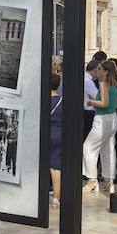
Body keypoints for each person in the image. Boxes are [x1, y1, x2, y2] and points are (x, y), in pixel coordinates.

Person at [83, 59, 117, 194]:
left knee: (88, 147)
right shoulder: (115, 85)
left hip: (102, 119)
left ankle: (92, 179)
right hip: (113, 118)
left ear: (105, 71)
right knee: (108, 148)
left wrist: (92, 102)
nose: (97, 71)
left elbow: (104, 103)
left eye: (99, 69)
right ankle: (108, 179)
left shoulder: (103, 83)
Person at [47, 68, 64, 209]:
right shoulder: (63, 101)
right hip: (60, 134)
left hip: (47, 134)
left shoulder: (43, 101)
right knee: (56, 167)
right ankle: (56, 198)